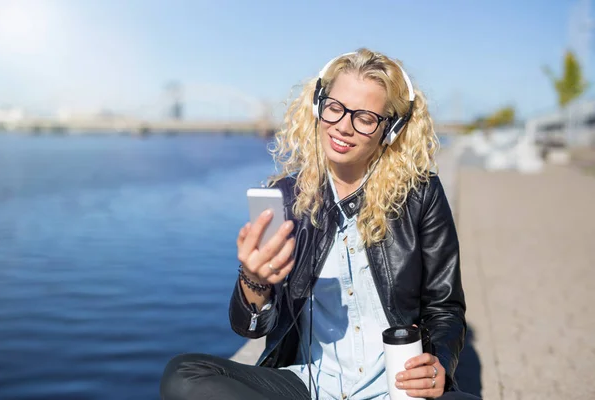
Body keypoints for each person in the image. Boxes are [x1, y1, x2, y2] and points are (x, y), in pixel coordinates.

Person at [160, 48, 480, 400]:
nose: (343, 125)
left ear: (390, 129)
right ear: (318, 106)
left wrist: (439, 364)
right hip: (310, 386)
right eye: (335, 108)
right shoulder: (287, 198)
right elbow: (250, 329)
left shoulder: (420, 194)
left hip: (396, 388)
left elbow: (445, 306)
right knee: (183, 375)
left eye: (365, 117)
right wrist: (254, 280)